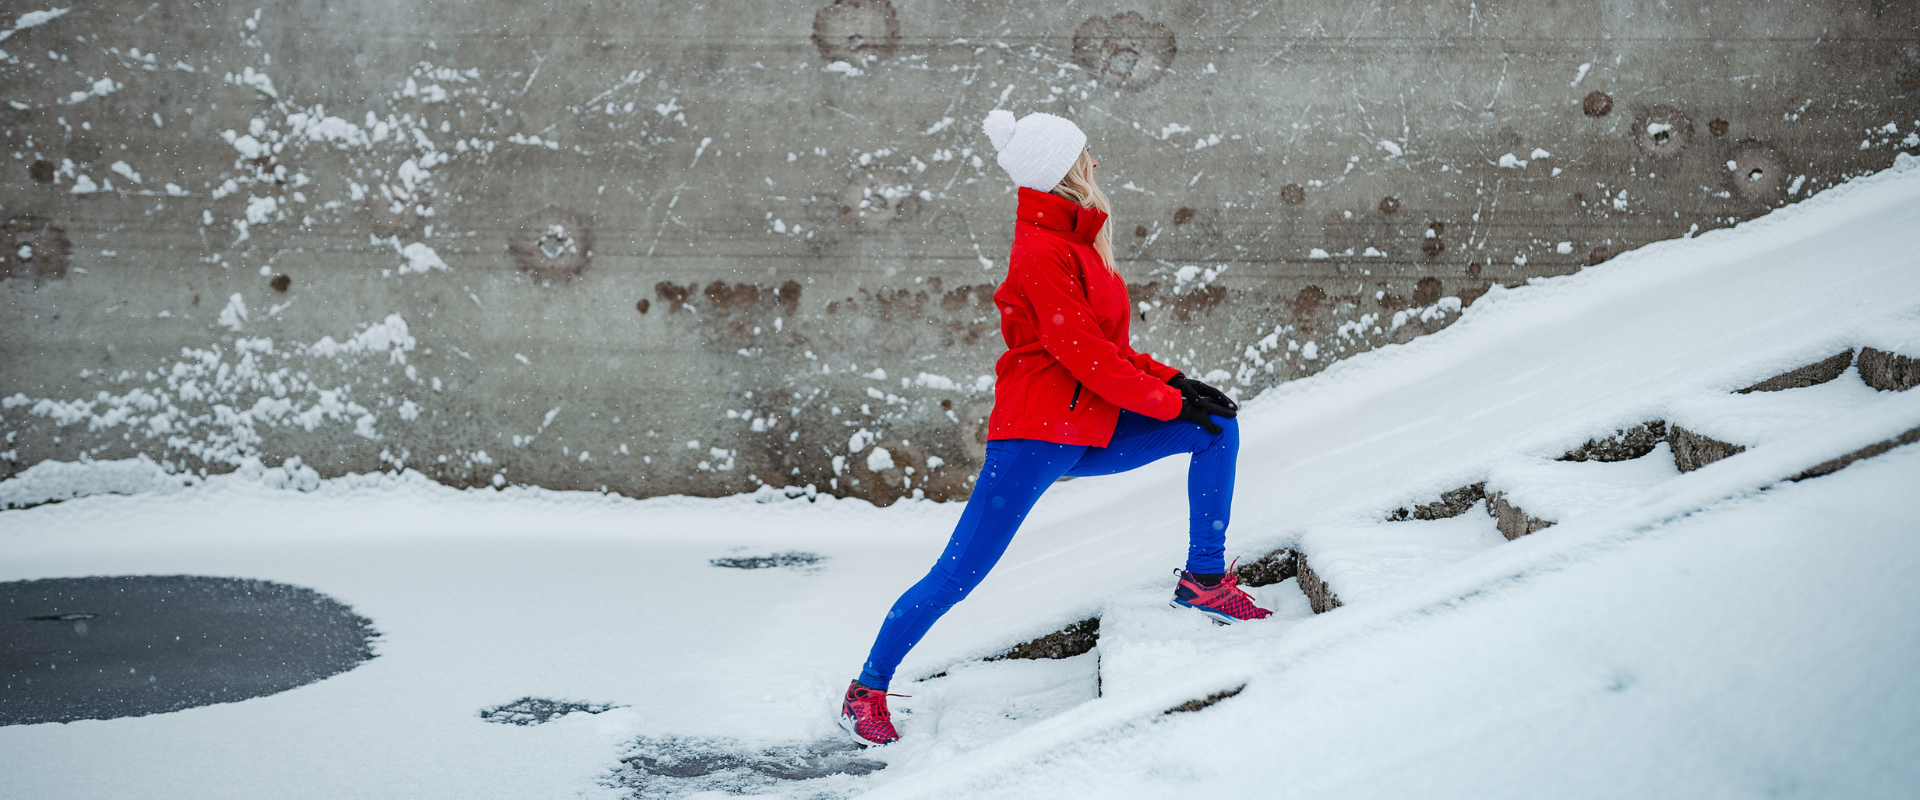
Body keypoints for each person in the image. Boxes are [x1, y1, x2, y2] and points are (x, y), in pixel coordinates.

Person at [838, 110, 1271, 747]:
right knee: (957, 575)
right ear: (1064, 171)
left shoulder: (1077, 245)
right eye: (1085, 154)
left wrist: (1178, 385)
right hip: (1034, 438)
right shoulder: (1042, 250)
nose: (1095, 163)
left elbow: (1107, 346)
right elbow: (1082, 356)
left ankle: (1204, 580)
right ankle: (865, 690)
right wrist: (1163, 402)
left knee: (1214, 430)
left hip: (1087, 427)